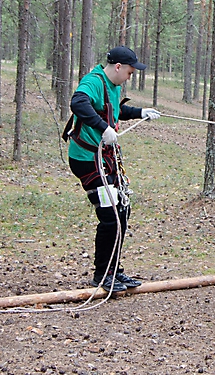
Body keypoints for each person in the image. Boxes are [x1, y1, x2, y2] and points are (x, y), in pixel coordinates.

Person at [64, 46, 161, 292]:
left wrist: (140, 112)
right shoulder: (94, 82)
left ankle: (114, 271)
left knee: (122, 211)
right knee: (110, 216)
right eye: (129, 72)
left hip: (104, 159)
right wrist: (102, 128)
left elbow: (114, 111)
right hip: (87, 159)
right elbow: (78, 103)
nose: (130, 77)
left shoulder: (113, 86)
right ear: (118, 67)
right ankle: (102, 276)